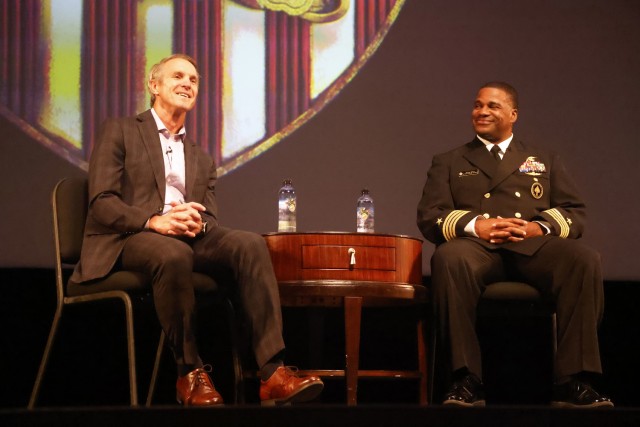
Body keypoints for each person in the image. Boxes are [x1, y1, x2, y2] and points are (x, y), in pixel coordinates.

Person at [70, 53, 323, 407]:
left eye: (194, 80)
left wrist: (198, 222)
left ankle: (272, 373)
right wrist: (154, 220)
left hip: (184, 239)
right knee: (171, 253)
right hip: (127, 239)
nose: (187, 83)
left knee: (249, 244)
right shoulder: (122, 130)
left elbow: (211, 219)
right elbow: (102, 202)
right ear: (153, 85)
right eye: (178, 76)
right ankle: (189, 373)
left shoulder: (201, 157)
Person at [416, 82, 612, 408]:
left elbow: (574, 212)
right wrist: (476, 225)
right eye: (478, 105)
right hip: (478, 248)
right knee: (449, 259)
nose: (482, 111)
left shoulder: (543, 159)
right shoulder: (449, 160)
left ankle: (573, 381)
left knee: (583, 259)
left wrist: (538, 226)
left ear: (513, 114)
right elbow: (430, 216)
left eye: (492, 106)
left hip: (530, 247)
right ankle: (465, 379)